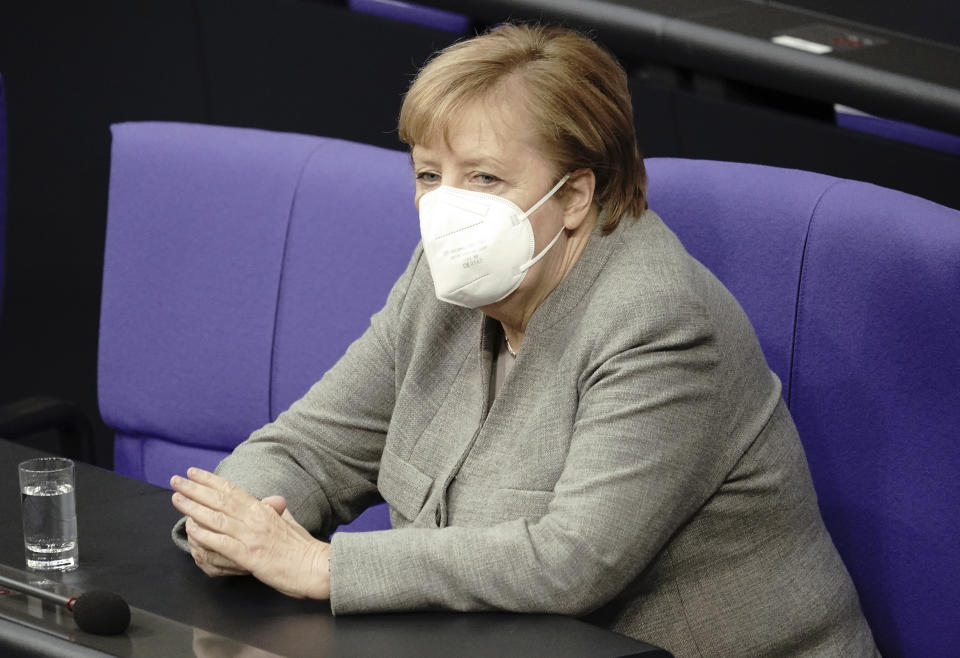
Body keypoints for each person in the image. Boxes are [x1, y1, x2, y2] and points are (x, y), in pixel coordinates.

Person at [170, 23, 878, 656]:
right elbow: (312, 447)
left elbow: (572, 561)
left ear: (574, 196)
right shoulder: (443, 280)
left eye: (484, 177)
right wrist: (237, 525)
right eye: (428, 174)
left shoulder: (658, 321)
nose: (446, 208)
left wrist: (321, 568)